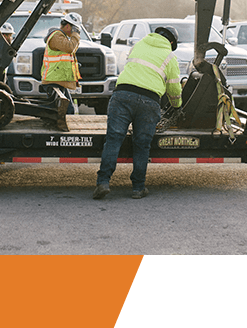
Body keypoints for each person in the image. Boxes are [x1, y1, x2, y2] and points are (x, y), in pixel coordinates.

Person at [93, 26, 182, 200]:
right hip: (149, 101)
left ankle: (103, 182)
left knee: (113, 139)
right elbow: (174, 88)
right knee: (142, 145)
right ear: (171, 42)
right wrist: (176, 105)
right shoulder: (170, 57)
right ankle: (138, 188)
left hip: (122, 95)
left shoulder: (139, 45)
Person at [41, 12, 84, 131]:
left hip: (58, 80)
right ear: (68, 26)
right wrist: (76, 35)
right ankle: (59, 134)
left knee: (63, 110)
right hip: (53, 80)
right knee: (66, 110)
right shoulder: (56, 36)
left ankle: (54, 130)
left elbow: (69, 51)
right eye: (75, 29)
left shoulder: (61, 37)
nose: (76, 32)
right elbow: (70, 48)